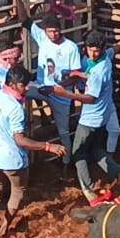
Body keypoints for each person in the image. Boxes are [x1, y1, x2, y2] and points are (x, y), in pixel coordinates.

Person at [0, 65, 66, 237]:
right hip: (12, 159)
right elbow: (20, 140)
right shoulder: (16, 108)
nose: (27, 88)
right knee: (18, 191)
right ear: (12, 85)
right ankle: (5, 225)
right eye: (23, 85)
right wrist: (48, 146)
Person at [52, 30, 120, 202]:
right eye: (90, 49)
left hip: (90, 118)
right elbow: (87, 76)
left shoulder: (98, 71)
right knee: (96, 150)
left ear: (102, 49)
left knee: (78, 153)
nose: (92, 54)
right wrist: (72, 79)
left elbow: (91, 98)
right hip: (102, 117)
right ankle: (118, 172)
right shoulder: (104, 60)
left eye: (96, 50)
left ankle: (89, 190)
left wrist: (65, 94)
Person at [24, 11, 81, 160]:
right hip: (41, 87)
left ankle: (67, 162)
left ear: (60, 29)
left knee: (63, 132)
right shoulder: (42, 38)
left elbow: (76, 76)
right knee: (18, 90)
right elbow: (25, 19)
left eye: (56, 31)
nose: (53, 34)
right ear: (45, 31)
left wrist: (56, 87)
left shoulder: (71, 48)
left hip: (61, 95)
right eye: (50, 31)